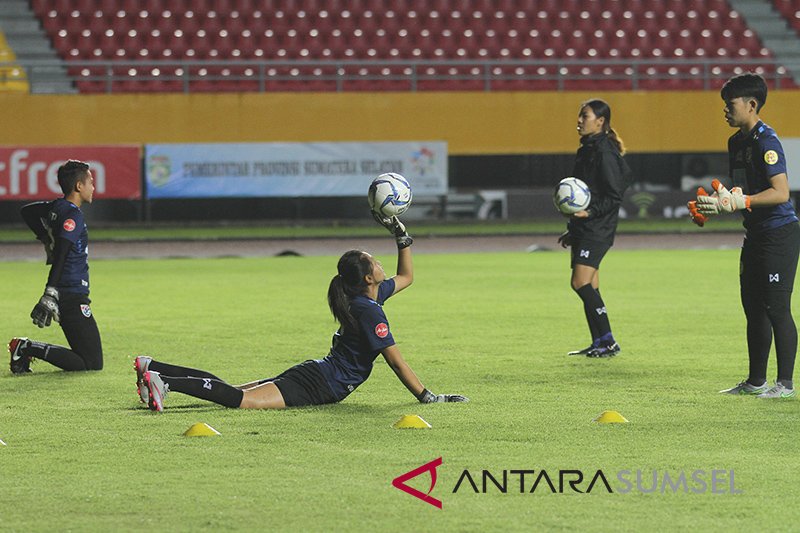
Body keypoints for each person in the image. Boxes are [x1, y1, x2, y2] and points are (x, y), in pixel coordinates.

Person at [133, 215, 468, 411]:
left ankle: (155, 369)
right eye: (375, 261)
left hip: (317, 374)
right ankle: (163, 382)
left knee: (237, 391)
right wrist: (428, 397)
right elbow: (396, 361)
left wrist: (402, 239)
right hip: (320, 384)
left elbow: (407, 277)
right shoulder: (369, 310)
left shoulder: (368, 296)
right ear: (368, 277)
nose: (381, 264)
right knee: (242, 401)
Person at [693, 73, 799, 399]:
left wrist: (744, 201)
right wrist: (718, 203)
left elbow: (781, 193)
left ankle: (785, 384)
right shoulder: (736, 142)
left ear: (751, 105)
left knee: (777, 307)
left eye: (731, 104)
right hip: (754, 233)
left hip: (779, 233)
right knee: (753, 307)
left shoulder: (767, 141)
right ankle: (756, 382)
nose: (725, 110)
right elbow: (740, 190)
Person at [8, 160, 103, 374]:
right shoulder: (73, 215)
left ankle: (26, 348)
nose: (93, 187)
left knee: (88, 359)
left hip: (67, 290)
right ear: (79, 186)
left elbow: (27, 211)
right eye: (90, 182)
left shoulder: (57, 207)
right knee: (92, 363)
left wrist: (44, 237)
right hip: (70, 292)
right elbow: (62, 253)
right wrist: (50, 292)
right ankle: (26, 347)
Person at [558, 99, 632, 358]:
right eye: (579, 115)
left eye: (585, 116)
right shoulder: (587, 150)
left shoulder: (604, 153)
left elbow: (614, 195)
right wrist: (573, 227)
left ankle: (609, 342)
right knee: (591, 285)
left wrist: (589, 213)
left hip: (598, 229)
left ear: (600, 121)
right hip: (585, 227)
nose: (579, 120)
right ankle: (600, 341)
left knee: (580, 283)